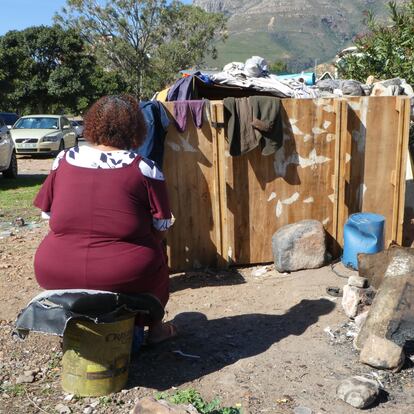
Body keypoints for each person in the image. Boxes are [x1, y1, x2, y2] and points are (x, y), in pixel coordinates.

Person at [33, 95, 176, 344]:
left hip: (55, 270)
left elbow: (49, 215)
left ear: (92, 124)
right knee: (159, 254)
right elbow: (162, 227)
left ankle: (73, 326)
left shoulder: (63, 160)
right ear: (136, 128)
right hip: (124, 274)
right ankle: (154, 329)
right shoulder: (146, 168)